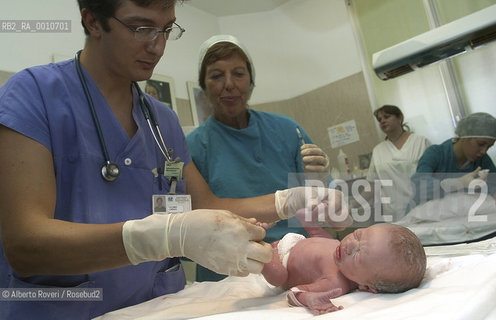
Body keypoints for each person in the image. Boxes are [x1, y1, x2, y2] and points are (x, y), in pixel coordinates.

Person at [0, 1, 351, 319]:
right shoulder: (33, 95)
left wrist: (287, 201)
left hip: (156, 306)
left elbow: (208, 204)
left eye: (167, 29)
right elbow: (25, 244)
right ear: (92, 20)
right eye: (141, 28)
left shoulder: (161, 121)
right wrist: (168, 237)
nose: (158, 45)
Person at [186, 34, 332, 281]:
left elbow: (321, 210)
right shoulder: (192, 147)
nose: (229, 84)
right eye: (217, 75)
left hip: (294, 259)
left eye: (239, 74)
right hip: (225, 271)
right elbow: (197, 215)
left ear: (251, 81)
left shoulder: (288, 131)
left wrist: (320, 179)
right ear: (204, 86)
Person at [261, 218, 426, 315]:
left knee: (278, 277)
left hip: (280, 262)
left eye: (358, 255)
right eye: (357, 234)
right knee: (331, 240)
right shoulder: (341, 251)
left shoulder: (336, 282)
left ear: (367, 287)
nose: (349, 245)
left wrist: (309, 298)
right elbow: (321, 242)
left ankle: (258, 246)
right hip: (294, 241)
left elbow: (294, 292)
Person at [352, 105, 431, 222]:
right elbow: (373, 185)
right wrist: (352, 205)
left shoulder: (420, 142)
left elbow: (434, 177)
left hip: (422, 209)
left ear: (400, 118)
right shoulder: (378, 150)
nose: (382, 121)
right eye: (379, 120)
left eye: (387, 116)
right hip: (394, 214)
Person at [409, 112, 496, 210]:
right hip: (424, 215)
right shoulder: (435, 153)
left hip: (460, 216)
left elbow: (493, 185)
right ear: (464, 135)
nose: (484, 151)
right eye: (481, 144)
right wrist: (455, 183)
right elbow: (420, 186)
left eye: (489, 147)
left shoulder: (483, 160)